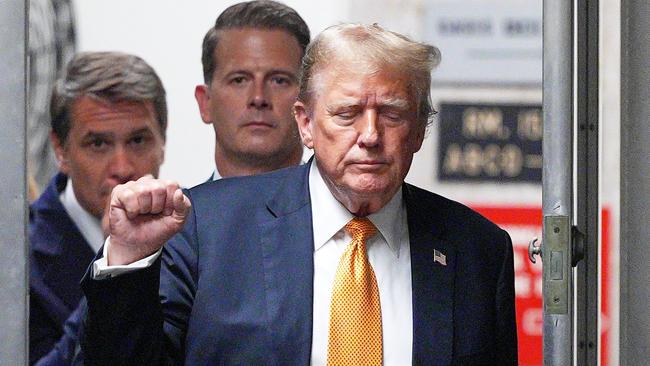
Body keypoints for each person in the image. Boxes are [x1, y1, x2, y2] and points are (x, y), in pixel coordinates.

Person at [81, 23, 518, 365]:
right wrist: (128, 261)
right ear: (306, 123)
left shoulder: (476, 248)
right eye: (347, 114)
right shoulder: (208, 227)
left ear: (421, 129)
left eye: (392, 114)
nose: (370, 135)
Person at [29, 51, 167, 364]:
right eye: (98, 144)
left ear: (162, 143)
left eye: (137, 141)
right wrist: (115, 264)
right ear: (60, 150)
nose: (122, 167)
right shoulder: (17, 259)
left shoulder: (195, 238)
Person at [194, 0, 310, 179]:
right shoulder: (183, 207)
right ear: (205, 103)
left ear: (309, 104)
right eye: (239, 80)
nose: (258, 98)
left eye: (279, 81)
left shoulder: (350, 207)